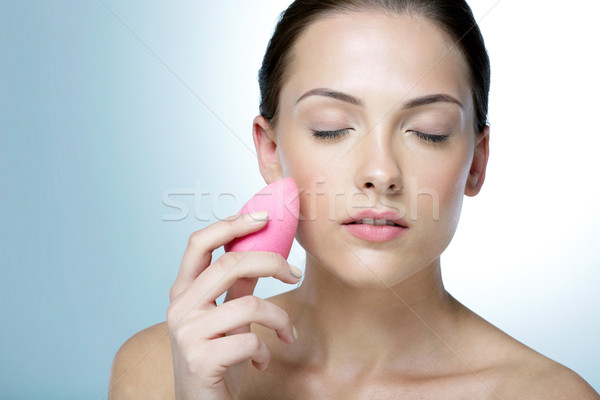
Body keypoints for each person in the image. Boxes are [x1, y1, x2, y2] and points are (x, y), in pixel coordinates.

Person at [108, 0, 600, 398]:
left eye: (428, 133)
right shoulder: (163, 374)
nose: (381, 173)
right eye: (332, 129)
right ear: (271, 150)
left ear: (476, 161)